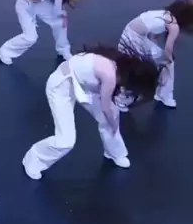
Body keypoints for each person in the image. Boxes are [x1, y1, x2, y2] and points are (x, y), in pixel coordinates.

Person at [22, 42, 162, 180]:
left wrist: (112, 120)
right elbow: (105, 108)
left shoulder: (119, 65)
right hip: (61, 86)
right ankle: (33, 160)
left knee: (112, 114)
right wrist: (114, 125)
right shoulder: (110, 75)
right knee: (66, 141)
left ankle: (115, 152)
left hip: (84, 85)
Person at [0, 0, 98, 64]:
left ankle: (64, 51)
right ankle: (4, 52)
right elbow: (57, 11)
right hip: (24, 6)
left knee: (60, 23)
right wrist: (63, 14)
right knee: (30, 37)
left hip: (38, 4)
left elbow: (55, 4)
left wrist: (62, 16)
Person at [116, 0, 193, 110]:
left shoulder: (162, 14)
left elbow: (152, 34)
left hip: (128, 36)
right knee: (166, 65)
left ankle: (124, 96)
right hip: (134, 41)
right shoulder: (174, 26)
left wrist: (153, 52)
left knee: (133, 67)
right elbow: (168, 49)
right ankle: (163, 95)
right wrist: (169, 59)